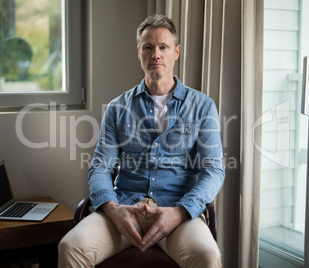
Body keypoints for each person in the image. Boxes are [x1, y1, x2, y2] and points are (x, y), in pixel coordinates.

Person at [58, 14, 225, 268]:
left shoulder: (202, 106)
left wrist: (180, 212)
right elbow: (100, 168)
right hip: (125, 208)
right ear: (139, 52)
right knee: (69, 248)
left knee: (207, 256)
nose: (155, 54)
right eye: (148, 47)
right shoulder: (117, 107)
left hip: (177, 213)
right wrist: (113, 209)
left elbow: (213, 170)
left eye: (163, 47)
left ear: (176, 52)